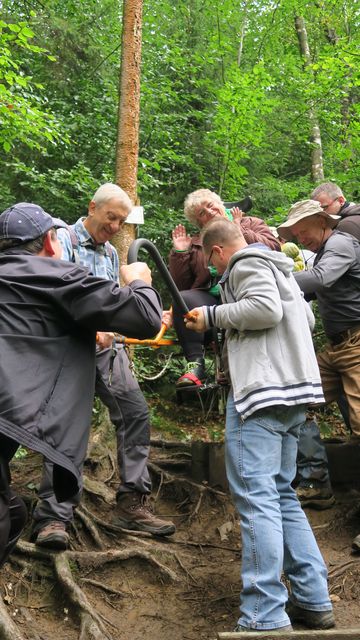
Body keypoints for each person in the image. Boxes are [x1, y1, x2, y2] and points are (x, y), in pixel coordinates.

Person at [184, 217, 334, 632]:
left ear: (216, 251)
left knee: (256, 500)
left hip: (263, 397)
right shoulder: (282, 270)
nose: (214, 274)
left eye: (212, 265)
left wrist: (213, 316)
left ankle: (264, 612)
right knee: (281, 495)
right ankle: (313, 599)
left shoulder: (246, 264)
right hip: (293, 397)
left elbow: (263, 310)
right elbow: (306, 321)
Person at [0, 202, 163, 565]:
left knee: (133, 412)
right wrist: (140, 281)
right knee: (55, 423)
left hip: (92, 353)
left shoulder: (103, 254)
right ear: (49, 241)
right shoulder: (59, 263)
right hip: (49, 368)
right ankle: (54, 516)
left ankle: (131, 500)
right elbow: (142, 316)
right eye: (112, 218)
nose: (117, 225)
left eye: (123, 220)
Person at [278, 199, 360, 550]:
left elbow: (321, 277)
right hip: (336, 348)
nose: (301, 238)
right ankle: (315, 483)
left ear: (321, 221)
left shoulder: (340, 242)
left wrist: (272, 278)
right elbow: (311, 289)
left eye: (302, 231)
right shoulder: (324, 248)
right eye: (295, 234)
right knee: (298, 398)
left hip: (356, 344)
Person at [169, 188, 281, 387]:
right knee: (183, 298)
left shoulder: (250, 223)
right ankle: (195, 364)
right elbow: (182, 286)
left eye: (211, 206)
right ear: (199, 221)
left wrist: (238, 229)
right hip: (212, 296)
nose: (209, 212)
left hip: (247, 290)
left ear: (221, 204)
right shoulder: (195, 242)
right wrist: (180, 253)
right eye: (202, 212)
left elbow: (273, 248)